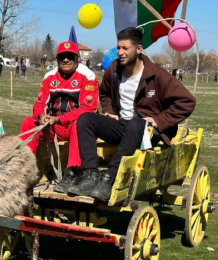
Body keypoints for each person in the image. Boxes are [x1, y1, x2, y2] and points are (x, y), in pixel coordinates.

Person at [68, 27, 195, 201]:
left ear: (138, 49)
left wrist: (159, 120)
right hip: (122, 126)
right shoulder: (113, 70)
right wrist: (109, 111)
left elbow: (187, 101)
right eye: (118, 47)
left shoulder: (156, 75)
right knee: (85, 119)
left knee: (137, 124)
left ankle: (111, 178)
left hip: (148, 133)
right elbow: (104, 93)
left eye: (125, 48)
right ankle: (90, 175)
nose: (120, 52)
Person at [19, 41, 99, 193]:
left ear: (77, 58)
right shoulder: (49, 76)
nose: (66, 60)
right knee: (28, 122)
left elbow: (89, 108)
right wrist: (40, 115)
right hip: (54, 127)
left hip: (76, 127)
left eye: (70, 56)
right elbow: (39, 103)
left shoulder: (88, 76)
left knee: (80, 123)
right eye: (62, 57)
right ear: (57, 59)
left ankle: (72, 172)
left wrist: (60, 119)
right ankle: (24, 168)